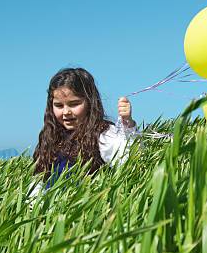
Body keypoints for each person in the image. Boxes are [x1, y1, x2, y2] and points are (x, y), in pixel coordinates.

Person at [29, 67, 137, 201]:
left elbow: (129, 161)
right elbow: (38, 182)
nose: (66, 112)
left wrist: (128, 123)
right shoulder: (50, 137)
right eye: (59, 106)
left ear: (90, 102)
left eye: (74, 104)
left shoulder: (103, 133)